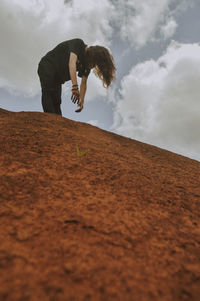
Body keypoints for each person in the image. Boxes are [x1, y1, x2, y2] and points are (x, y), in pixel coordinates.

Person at [37, 38, 116, 115]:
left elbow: (84, 83)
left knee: (57, 100)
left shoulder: (87, 65)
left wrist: (81, 100)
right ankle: (49, 119)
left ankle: (57, 124)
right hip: (48, 65)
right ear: (91, 55)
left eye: (95, 64)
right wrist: (75, 86)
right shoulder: (78, 44)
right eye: (94, 62)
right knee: (48, 92)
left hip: (58, 77)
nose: (92, 66)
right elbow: (72, 63)